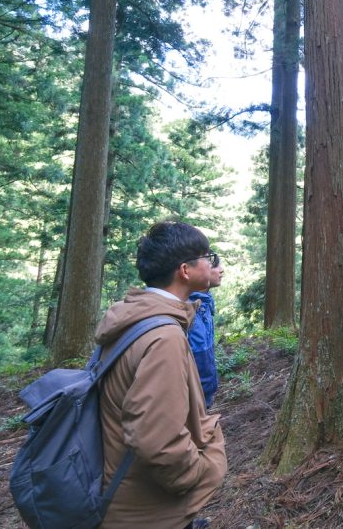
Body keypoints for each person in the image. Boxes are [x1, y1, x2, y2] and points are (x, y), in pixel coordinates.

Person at [94, 221, 227, 528]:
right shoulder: (163, 336)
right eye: (207, 255)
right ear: (185, 270)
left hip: (120, 490)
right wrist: (200, 473)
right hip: (142, 508)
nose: (212, 262)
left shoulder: (132, 318)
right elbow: (157, 439)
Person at [188, 256, 224, 409]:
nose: (221, 270)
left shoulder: (206, 303)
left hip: (204, 396)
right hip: (191, 400)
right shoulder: (185, 310)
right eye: (213, 265)